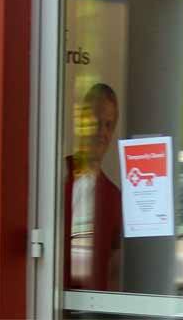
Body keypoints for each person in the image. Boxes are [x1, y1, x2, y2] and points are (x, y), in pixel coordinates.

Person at [64, 83, 122, 291]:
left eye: (108, 125)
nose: (102, 132)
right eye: (97, 123)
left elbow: (114, 271)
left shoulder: (114, 197)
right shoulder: (55, 177)